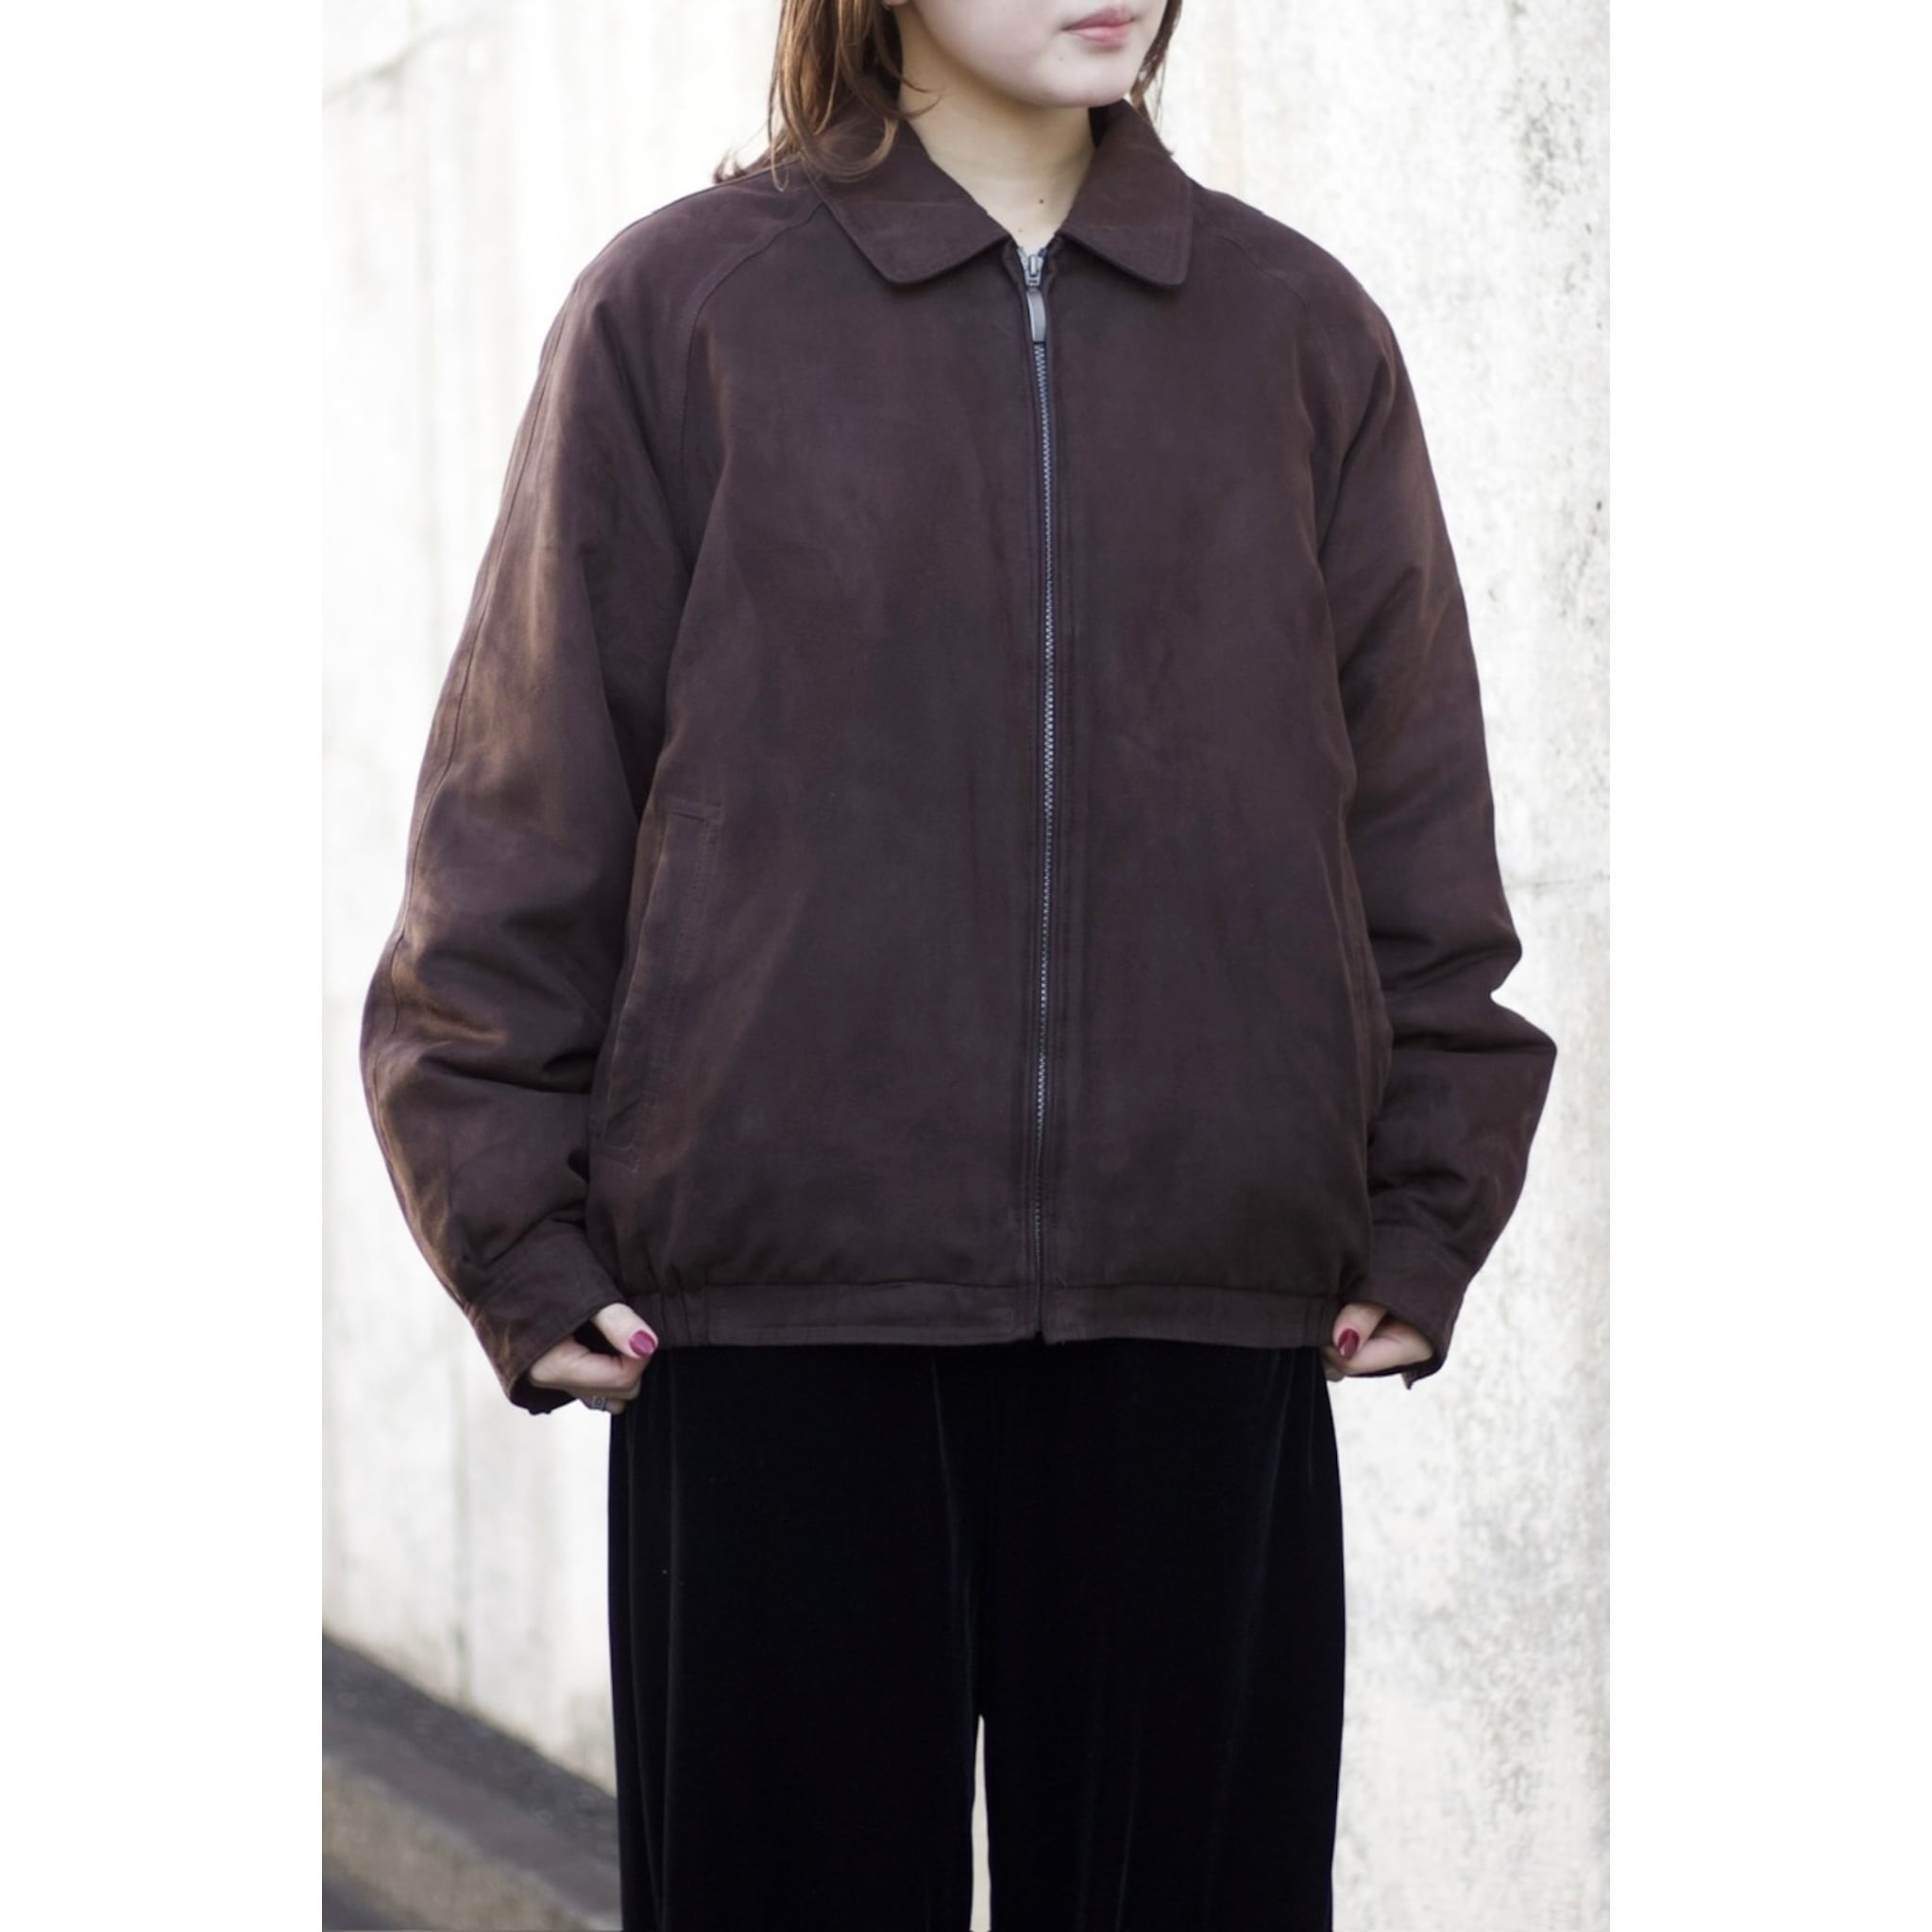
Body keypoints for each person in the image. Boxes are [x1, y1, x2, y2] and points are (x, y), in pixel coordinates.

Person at [359, 2, 1558, 1925]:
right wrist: (512, 1226)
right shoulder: (685, 312)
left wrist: (1425, 1203)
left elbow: (1409, 805)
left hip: (1200, 1309)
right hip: (776, 1326)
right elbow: (531, 794)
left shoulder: (1295, 330)